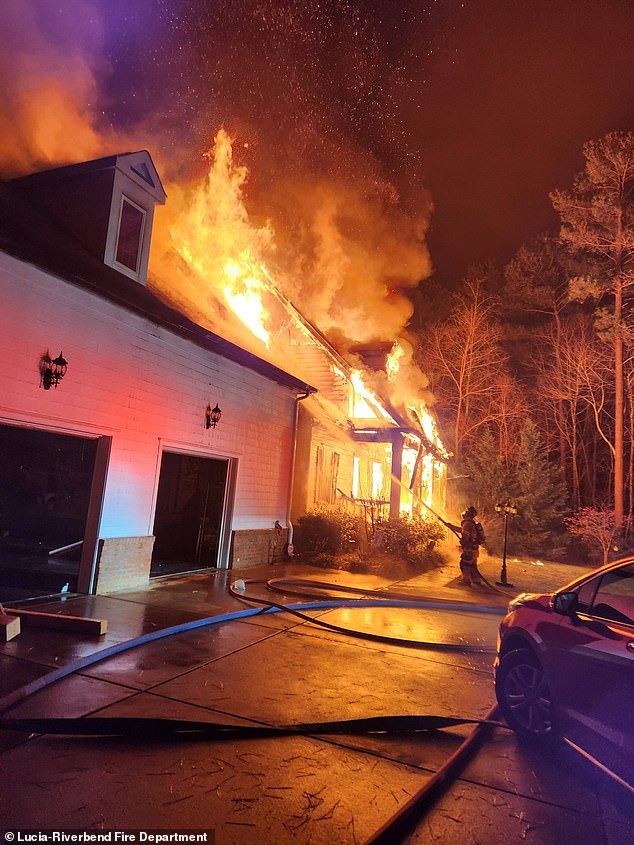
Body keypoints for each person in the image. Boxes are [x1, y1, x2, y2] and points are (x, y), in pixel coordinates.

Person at [449, 505, 486, 586]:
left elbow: (465, 535)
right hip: (474, 549)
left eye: (466, 511)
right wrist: (452, 527)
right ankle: (476, 581)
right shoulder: (470, 523)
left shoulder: (467, 523)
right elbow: (463, 531)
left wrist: (463, 542)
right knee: (472, 565)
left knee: (464, 564)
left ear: (467, 514)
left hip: (469, 549)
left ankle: (466, 581)